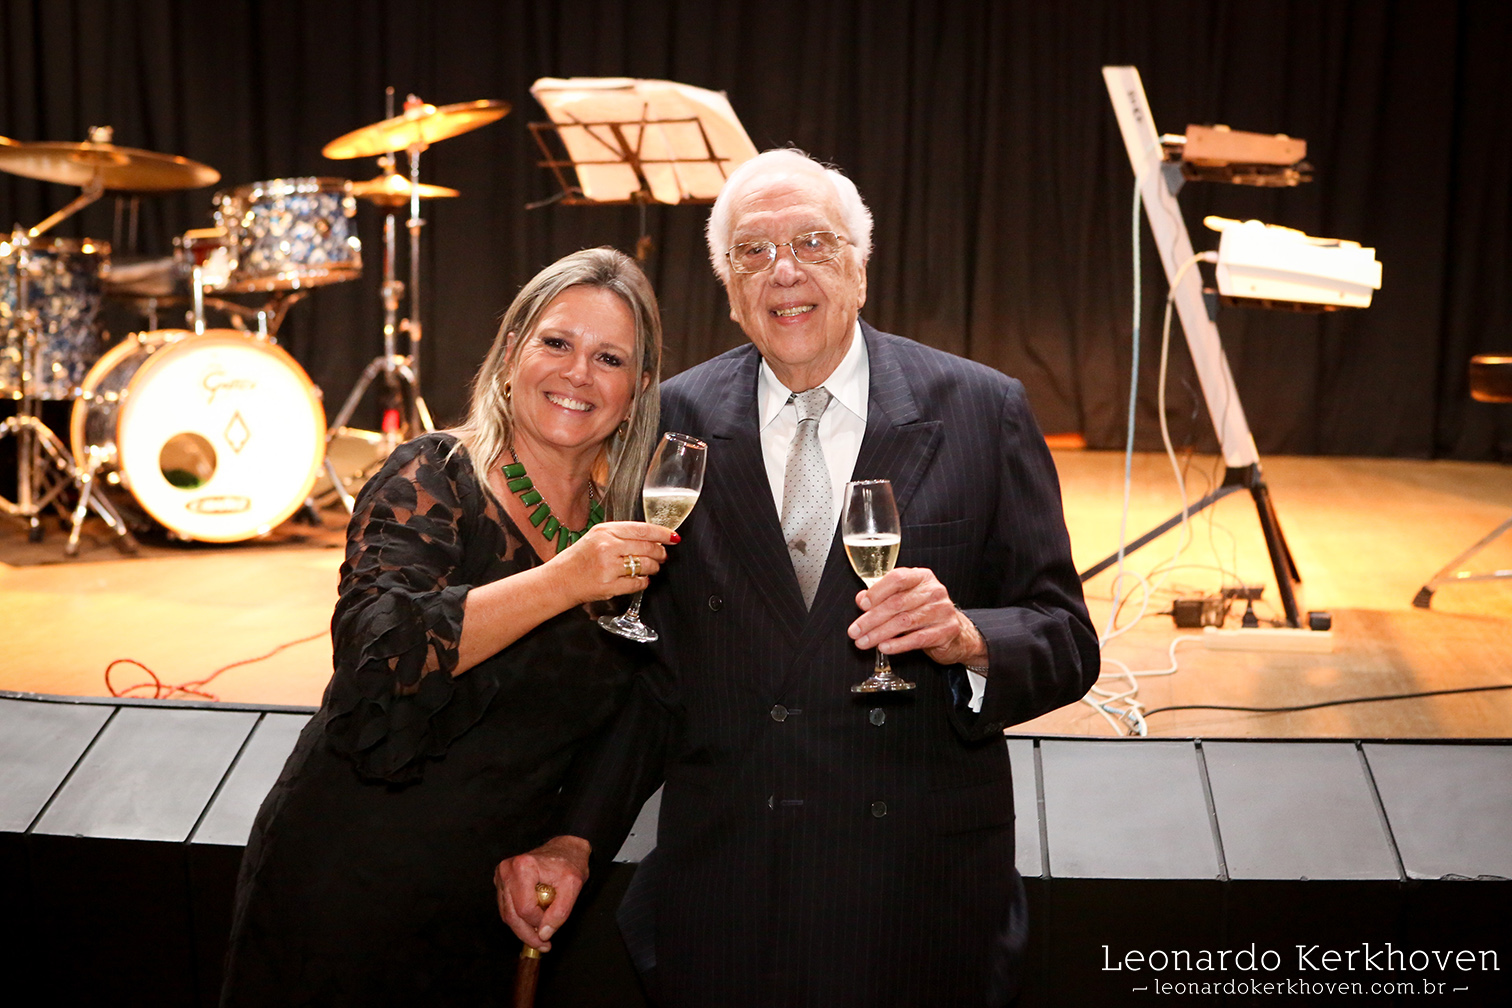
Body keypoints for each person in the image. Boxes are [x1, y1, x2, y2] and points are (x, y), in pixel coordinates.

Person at [495, 150, 1100, 1007]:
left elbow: (1067, 639)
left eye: (813, 242)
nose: (783, 270)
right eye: (752, 251)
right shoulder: (672, 420)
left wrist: (968, 637)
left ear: (860, 265)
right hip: (730, 897)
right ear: (728, 287)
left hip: (917, 899)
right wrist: (576, 837)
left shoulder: (980, 407)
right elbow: (651, 683)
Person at [220, 247, 676, 1007]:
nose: (578, 373)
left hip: (493, 901)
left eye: (610, 359)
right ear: (511, 354)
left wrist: (572, 842)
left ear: (637, 393)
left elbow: (644, 712)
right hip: (350, 881)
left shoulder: (630, 535)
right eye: (556, 342)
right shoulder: (431, 475)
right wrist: (564, 580)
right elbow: (379, 656)